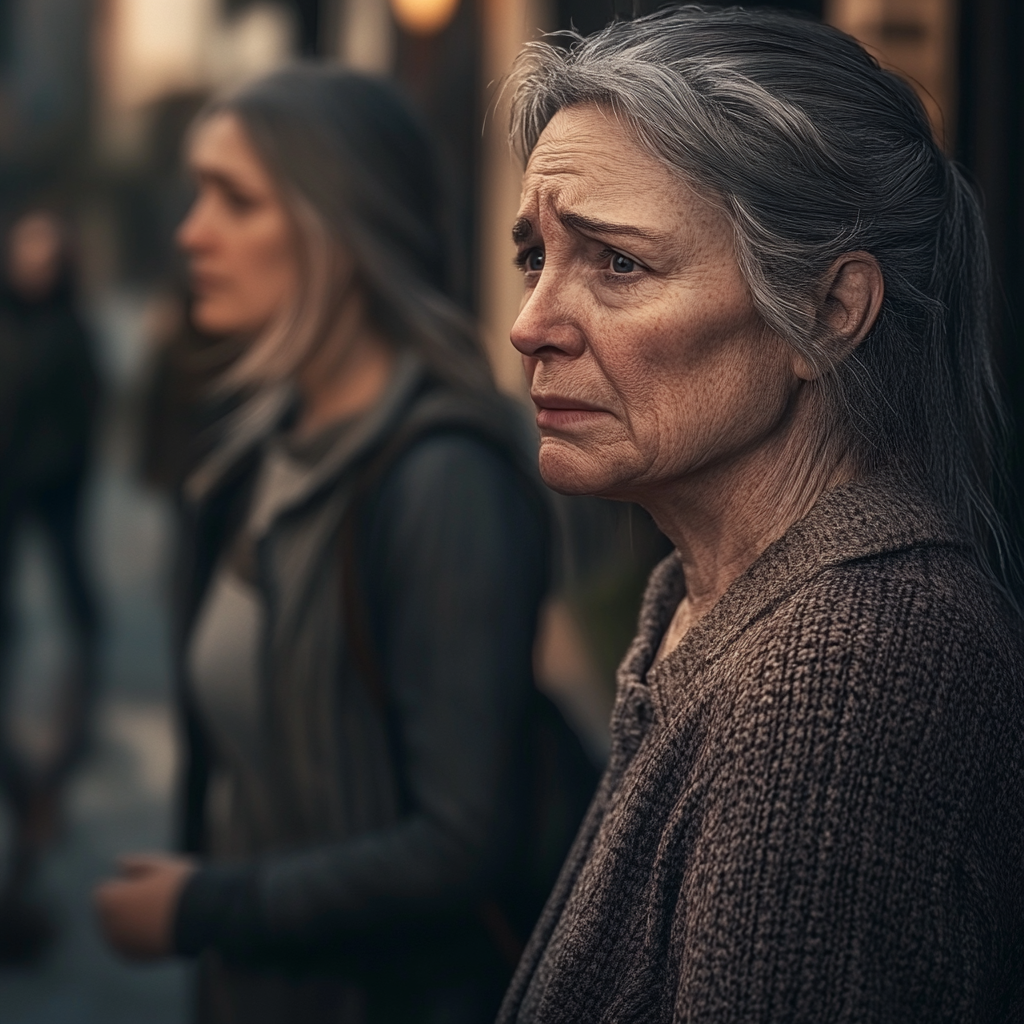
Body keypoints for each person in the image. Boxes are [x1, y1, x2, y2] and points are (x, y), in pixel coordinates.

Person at [496, 8, 1024, 1024]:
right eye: (536, 257)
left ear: (828, 313)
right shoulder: (705, 599)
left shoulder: (846, 675)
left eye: (616, 264)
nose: (531, 324)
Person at [93, 68, 574, 1023]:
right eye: (196, 195)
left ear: (338, 229)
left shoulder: (442, 483)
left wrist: (202, 904)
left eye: (235, 199)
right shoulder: (249, 452)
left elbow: (457, 843)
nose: (191, 233)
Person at [0, 208, 101, 959]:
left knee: (72, 599)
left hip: (52, 485)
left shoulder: (71, 332)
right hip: (11, 490)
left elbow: (87, 413)